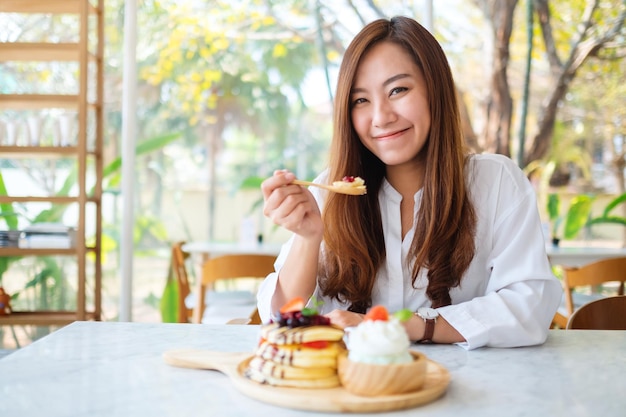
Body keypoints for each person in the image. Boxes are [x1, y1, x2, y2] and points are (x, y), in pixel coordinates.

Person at [258, 16, 562, 349]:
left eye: (398, 90)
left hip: (469, 390)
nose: (381, 116)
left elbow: (529, 305)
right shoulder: (329, 191)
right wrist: (307, 236)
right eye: (361, 100)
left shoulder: (496, 182)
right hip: (350, 390)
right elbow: (284, 318)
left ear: (435, 90)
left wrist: (409, 326)